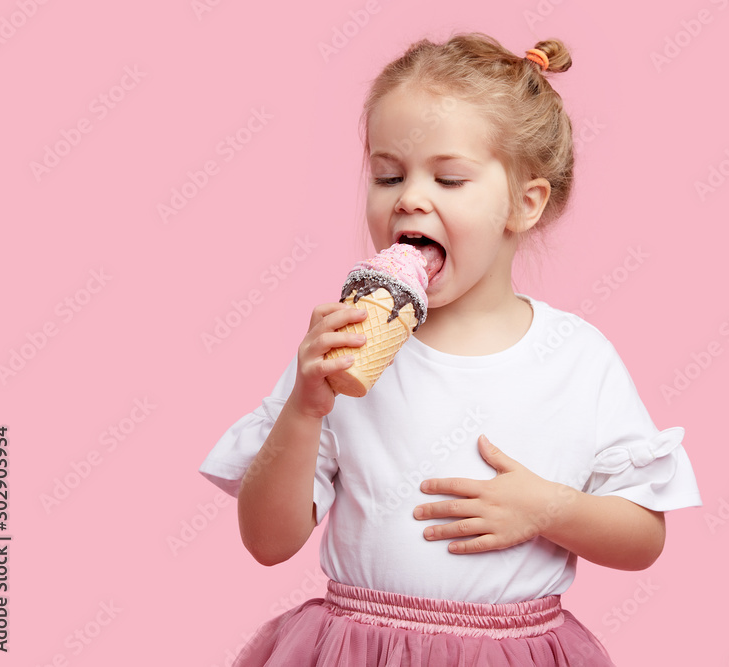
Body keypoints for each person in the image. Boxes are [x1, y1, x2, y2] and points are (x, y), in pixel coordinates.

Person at [199, 32, 702, 666]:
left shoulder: (577, 358)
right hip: (356, 648)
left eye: (450, 178)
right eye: (387, 175)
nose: (409, 197)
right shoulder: (343, 350)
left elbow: (643, 539)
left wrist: (549, 507)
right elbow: (268, 542)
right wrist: (302, 410)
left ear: (524, 203)